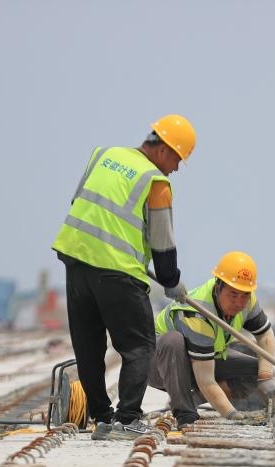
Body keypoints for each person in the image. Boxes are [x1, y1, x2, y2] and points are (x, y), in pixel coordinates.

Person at [52, 115, 195, 440]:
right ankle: (127, 418)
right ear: (164, 149)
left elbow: (80, 203)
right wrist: (171, 280)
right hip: (117, 270)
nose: (174, 168)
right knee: (140, 346)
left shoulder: (103, 155)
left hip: (75, 258)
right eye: (177, 159)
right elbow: (163, 243)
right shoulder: (156, 182)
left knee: (89, 348)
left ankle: (102, 418)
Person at [150, 251, 275, 428]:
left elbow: (265, 334)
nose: (239, 303)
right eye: (233, 295)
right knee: (173, 341)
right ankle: (184, 412)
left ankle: (194, 399)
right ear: (218, 286)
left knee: (253, 371)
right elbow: (206, 380)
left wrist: (265, 376)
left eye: (244, 295)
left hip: (203, 360)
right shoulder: (197, 312)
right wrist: (231, 414)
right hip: (160, 366)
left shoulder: (247, 300)